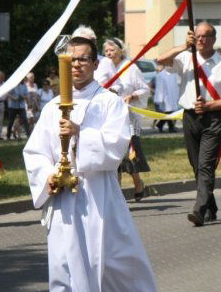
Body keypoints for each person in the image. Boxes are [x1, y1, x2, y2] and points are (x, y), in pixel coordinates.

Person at [23, 36, 157, 291]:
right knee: (64, 264)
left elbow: (116, 148)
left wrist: (80, 132)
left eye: (83, 59)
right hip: (63, 198)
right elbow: (35, 151)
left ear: (95, 64)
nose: (76, 65)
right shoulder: (52, 107)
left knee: (114, 262)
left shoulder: (109, 102)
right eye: (71, 60)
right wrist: (49, 175)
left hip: (99, 196)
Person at [156, 22, 221, 226]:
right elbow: (160, 60)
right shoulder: (186, 58)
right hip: (189, 117)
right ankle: (210, 206)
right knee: (197, 166)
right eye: (197, 36)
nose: (201, 39)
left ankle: (199, 209)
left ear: (213, 39)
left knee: (205, 165)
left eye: (205, 36)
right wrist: (183, 46)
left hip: (213, 118)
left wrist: (210, 105)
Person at [103, 38, 151, 201]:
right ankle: (116, 192)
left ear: (121, 51)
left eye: (112, 50)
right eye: (107, 51)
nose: (109, 53)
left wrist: (132, 95)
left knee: (131, 153)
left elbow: (145, 89)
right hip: (109, 119)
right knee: (113, 155)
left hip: (128, 119)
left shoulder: (131, 68)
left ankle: (138, 182)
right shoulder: (104, 69)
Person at [152, 64, 179, 132]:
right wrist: (159, 99)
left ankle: (161, 125)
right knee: (168, 112)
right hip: (165, 97)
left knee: (169, 112)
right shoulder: (161, 75)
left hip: (172, 96)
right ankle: (170, 127)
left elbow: (177, 85)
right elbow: (159, 88)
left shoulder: (174, 74)